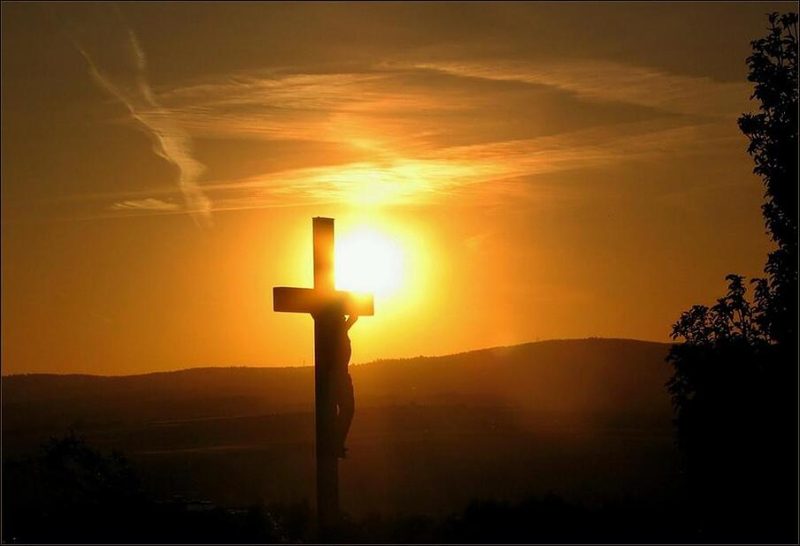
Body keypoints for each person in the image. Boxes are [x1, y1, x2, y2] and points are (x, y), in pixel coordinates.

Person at [333, 313, 357, 459]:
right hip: (338, 377)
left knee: (347, 410)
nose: (343, 319)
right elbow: (353, 317)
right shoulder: (336, 332)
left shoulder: (339, 331)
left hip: (340, 376)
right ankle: (335, 442)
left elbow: (353, 318)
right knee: (347, 409)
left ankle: (336, 441)